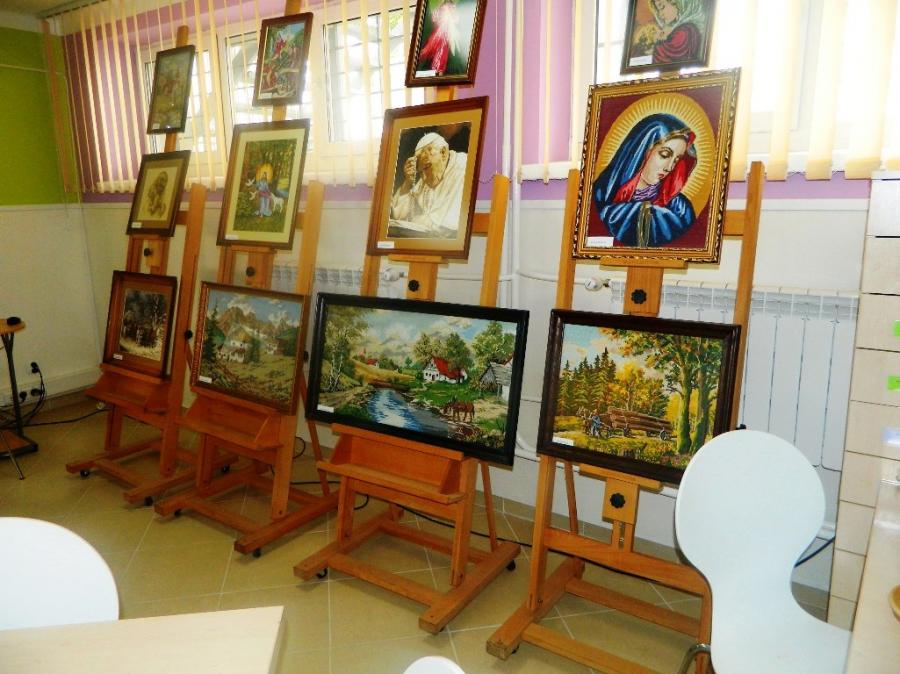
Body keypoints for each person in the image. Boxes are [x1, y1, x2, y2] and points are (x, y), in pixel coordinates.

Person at [590, 113, 697, 248]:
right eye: (665, 155)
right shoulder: (600, 196)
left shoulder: (680, 209)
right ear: (641, 151)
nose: (669, 168)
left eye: (676, 160)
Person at [389, 131, 467, 237]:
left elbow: (444, 228)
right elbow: (398, 216)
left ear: (443, 152)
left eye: (426, 167)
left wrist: (416, 220)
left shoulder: (462, 168)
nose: (424, 178)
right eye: (420, 172)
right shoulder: (427, 173)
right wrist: (408, 182)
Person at [632, 0, 705, 65]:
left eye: (662, 7)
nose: (660, 14)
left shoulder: (686, 31)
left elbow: (664, 55)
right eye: (658, 10)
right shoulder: (674, 30)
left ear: (676, 3)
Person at [416, 0, 461, 75]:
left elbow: (455, 19)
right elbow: (435, 19)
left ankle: (438, 69)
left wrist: (450, 16)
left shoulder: (450, 7)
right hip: (441, 32)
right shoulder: (442, 8)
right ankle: (438, 69)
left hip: (446, 32)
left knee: (441, 50)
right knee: (435, 48)